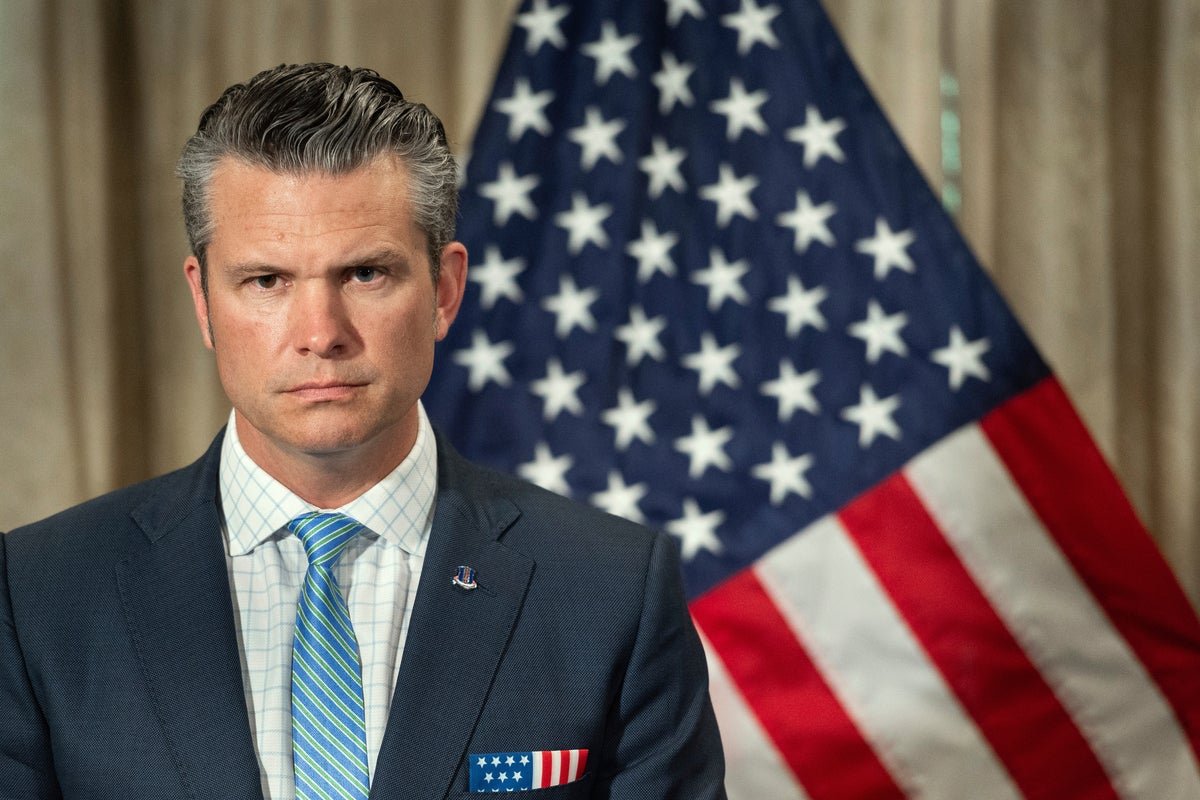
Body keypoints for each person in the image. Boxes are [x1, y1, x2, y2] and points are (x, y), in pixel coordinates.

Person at [0, 64, 725, 799]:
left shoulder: (611, 592)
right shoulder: (35, 597)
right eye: (266, 281)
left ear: (444, 291)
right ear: (203, 300)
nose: (321, 334)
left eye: (366, 275)